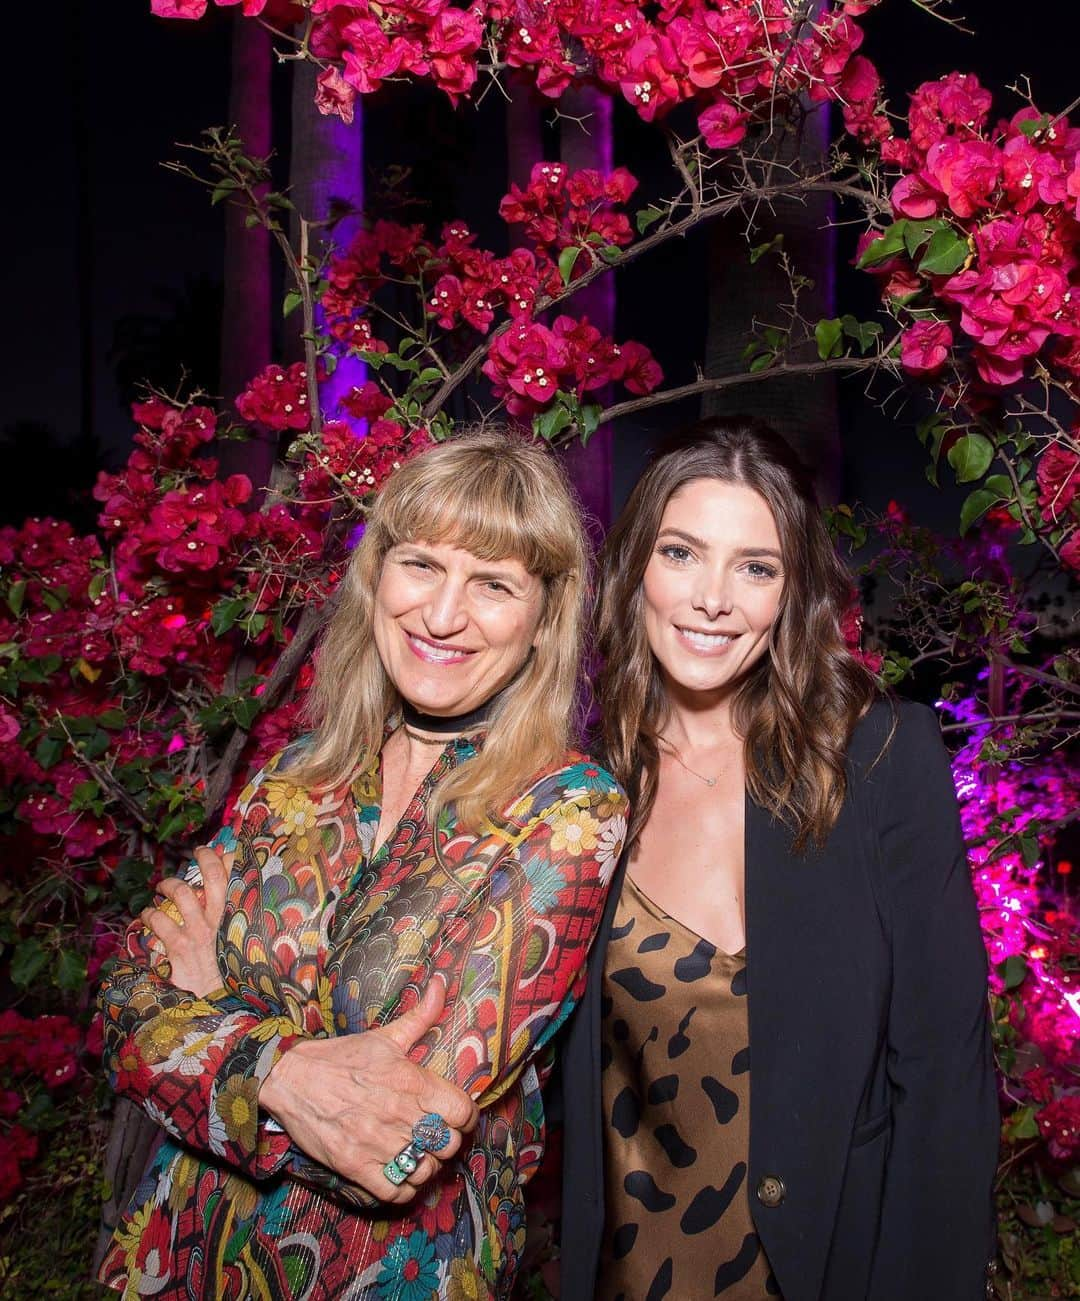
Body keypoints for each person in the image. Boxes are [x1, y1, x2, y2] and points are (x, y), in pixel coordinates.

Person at [97, 431, 629, 1300]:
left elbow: (399, 1143)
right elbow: (123, 1001)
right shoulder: (293, 776)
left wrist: (211, 1014)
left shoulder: (569, 814)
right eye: (421, 565)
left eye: (493, 584)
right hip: (173, 1256)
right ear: (377, 576)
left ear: (543, 619)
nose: (443, 614)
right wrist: (288, 1074)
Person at [559, 418, 999, 1300]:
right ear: (635, 566)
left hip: (840, 1264)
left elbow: (946, 1071)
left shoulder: (879, 758)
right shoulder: (577, 782)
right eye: (682, 553)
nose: (713, 598)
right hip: (632, 1271)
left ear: (790, 593)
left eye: (755, 567)